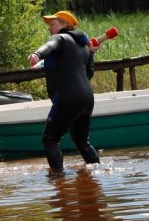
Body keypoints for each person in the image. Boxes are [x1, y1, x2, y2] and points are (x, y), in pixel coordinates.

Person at [27, 10, 100, 173]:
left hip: (67, 98)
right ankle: (96, 175)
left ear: (65, 25)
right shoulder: (83, 47)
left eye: (53, 24)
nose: (49, 28)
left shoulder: (59, 38)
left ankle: (58, 182)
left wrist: (37, 54)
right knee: (82, 143)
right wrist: (92, 54)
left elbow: (50, 45)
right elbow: (88, 74)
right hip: (87, 99)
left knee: (50, 140)